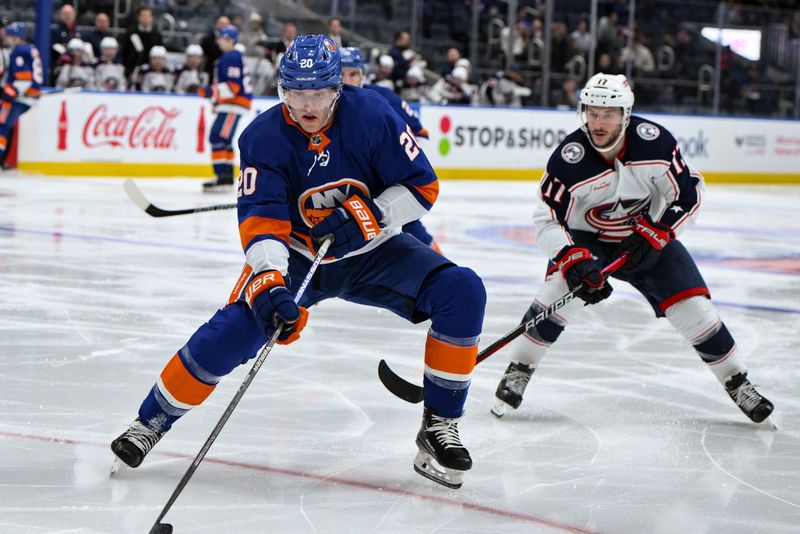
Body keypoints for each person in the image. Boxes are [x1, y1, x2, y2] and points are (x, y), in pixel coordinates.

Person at [111, 34, 486, 490]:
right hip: (298, 255)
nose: (307, 105)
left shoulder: (370, 115)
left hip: (375, 252)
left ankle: (438, 426)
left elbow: (422, 187)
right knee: (234, 329)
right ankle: (150, 421)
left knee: (462, 291)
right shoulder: (262, 138)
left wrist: (372, 214)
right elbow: (262, 222)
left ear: (337, 90)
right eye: (297, 93)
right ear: (282, 91)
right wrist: (270, 279)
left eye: (319, 93)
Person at [491, 73, 774, 425]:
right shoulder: (568, 160)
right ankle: (519, 369)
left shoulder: (654, 145)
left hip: (646, 238)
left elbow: (689, 195)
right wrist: (572, 260)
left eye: (608, 114)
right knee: (555, 295)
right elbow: (547, 219)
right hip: (587, 239)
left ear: (626, 115)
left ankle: (737, 382)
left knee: (695, 308)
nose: (598, 123)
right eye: (592, 113)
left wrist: (660, 232)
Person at [339, 46, 441, 253]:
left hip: (380, 185)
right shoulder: (318, 105)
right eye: (341, 74)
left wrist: (395, 168)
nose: (348, 80)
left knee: (411, 227)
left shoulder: (382, 98)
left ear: (363, 75)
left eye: (353, 74)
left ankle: (441, 272)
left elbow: (419, 134)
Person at [199, 24, 252, 191]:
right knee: (224, 139)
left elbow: (233, 87)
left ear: (230, 39)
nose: (218, 41)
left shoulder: (231, 57)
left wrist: (210, 91)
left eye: (221, 37)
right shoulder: (231, 56)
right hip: (232, 104)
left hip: (233, 104)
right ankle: (226, 177)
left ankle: (222, 176)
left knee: (217, 137)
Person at [0, 22, 42, 165]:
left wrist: (9, 92)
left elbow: (24, 79)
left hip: (21, 98)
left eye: (10, 36)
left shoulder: (19, 51)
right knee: (3, 126)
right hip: (29, 98)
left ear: (17, 37)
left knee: (2, 127)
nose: (7, 39)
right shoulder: (30, 49)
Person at [121, 6, 163, 77]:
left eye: (148, 16)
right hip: (133, 70)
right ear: (138, 17)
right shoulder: (130, 33)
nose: (146, 18)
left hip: (151, 72)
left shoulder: (157, 34)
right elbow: (124, 52)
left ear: (152, 18)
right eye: (143, 16)